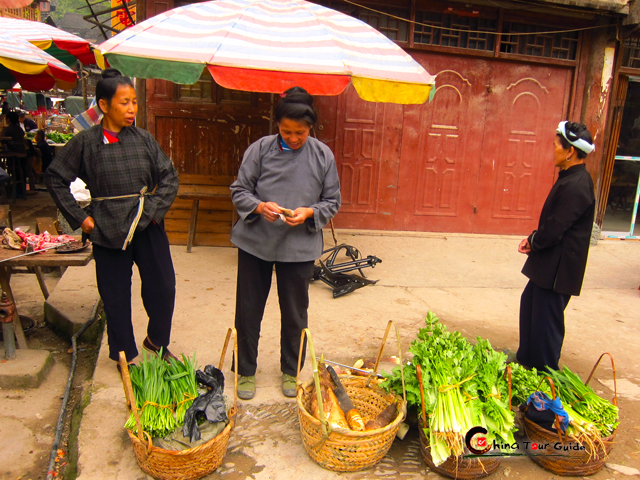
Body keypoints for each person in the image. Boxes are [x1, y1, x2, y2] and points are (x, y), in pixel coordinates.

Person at [45, 68, 180, 369]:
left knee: (163, 286)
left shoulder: (144, 140)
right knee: (115, 293)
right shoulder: (85, 142)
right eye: (124, 102)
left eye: (134, 102)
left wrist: (154, 211)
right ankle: (124, 353)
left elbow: (169, 176)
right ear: (104, 105)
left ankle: (157, 341)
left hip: (145, 225)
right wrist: (81, 219)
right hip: (106, 227)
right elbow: (55, 178)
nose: (132, 109)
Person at [230, 86, 341, 399]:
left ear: (311, 128)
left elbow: (332, 200)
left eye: (300, 133)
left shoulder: (322, 156)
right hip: (256, 243)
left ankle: (291, 371)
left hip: (299, 247)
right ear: (275, 125)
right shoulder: (260, 149)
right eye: (286, 131)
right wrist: (258, 206)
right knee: (248, 309)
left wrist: (309, 212)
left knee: (295, 312)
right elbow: (240, 190)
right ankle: (245, 370)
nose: (292, 138)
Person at [517, 121, 595, 372]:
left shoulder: (577, 185)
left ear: (569, 151)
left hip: (559, 269)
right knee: (530, 304)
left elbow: (555, 228)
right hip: (549, 263)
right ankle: (526, 361)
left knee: (547, 323)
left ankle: (546, 376)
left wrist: (534, 240)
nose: (553, 151)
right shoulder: (570, 178)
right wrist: (535, 239)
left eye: (555, 146)